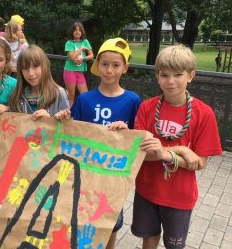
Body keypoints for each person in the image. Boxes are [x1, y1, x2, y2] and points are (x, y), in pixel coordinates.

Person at [132, 45, 222, 249]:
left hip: (179, 195)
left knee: (174, 245)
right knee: (149, 239)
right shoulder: (147, 107)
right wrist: (180, 150)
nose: (170, 81)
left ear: (190, 76)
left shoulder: (204, 113)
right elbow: (141, 155)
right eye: (164, 75)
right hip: (147, 189)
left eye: (178, 75)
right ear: (157, 76)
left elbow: (198, 163)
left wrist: (163, 152)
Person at [57, 38, 141, 249]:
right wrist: (63, 118)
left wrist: (127, 131)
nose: (109, 70)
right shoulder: (85, 99)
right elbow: (73, 131)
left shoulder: (133, 101)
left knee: (112, 221)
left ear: (125, 68)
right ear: (97, 65)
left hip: (115, 174)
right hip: (86, 172)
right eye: (104, 64)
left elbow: (138, 138)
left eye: (115, 65)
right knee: (80, 214)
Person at [9, 44, 69, 119]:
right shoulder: (16, 95)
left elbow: (67, 127)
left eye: (35, 66)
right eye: (25, 68)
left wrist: (50, 119)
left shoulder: (59, 94)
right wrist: (6, 110)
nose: (31, 73)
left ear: (45, 66)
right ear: (21, 71)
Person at [64, 22, 94, 106]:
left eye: (79, 30)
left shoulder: (85, 41)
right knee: (71, 95)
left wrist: (83, 58)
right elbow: (72, 57)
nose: (77, 32)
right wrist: (81, 49)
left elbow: (91, 55)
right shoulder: (69, 43)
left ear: (82, 32)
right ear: (72, 32)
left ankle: (84, 115)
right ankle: (70, 116)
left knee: (85, 95)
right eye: (75, 30)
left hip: (80, 73)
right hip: (70, 71)